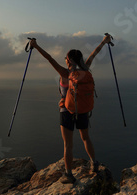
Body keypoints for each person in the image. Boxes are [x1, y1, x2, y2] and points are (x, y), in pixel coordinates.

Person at [29, 34, 112, 184]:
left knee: (68, 145)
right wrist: (104, 42)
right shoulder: (86, 69)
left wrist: (35, 46)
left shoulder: (64, 73)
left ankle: (68, 174)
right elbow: (94, 53)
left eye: (66, 58)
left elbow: (49, 58)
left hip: (66, 111)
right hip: (83, 110)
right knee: (86, 137)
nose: (65, 60)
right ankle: (94, 163)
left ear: (69, 60)